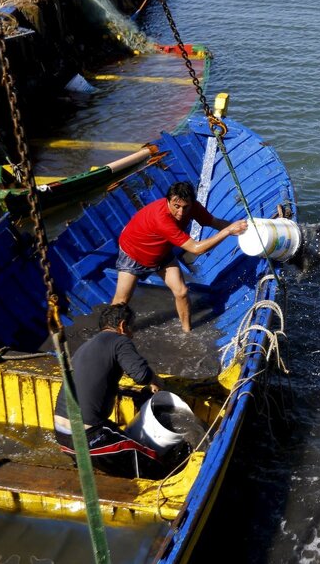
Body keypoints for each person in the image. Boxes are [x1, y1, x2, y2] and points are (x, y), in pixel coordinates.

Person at [112, 181, 247, 332]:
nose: (181, 212)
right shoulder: (162, 219)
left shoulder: (192, 206)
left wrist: (243, 230)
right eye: (176, 206)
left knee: (182, 292)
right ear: (168, 201)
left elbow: (213, 222)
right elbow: (196, 249)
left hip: (161, 252)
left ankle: (187, 330)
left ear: (192, 203)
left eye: (185, 207)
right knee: (121, 301)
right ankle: (111, 333)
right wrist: (228, 231)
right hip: (134, 252)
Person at [54, 303, 165, 479]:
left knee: (119, 441)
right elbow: (141, 375)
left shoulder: (86, 346)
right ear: (122, 326)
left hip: (62, 437)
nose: (132, 333)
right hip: (89, 438)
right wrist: (155, 380)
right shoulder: (120, 341)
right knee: (156, 462)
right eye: (131, 328)